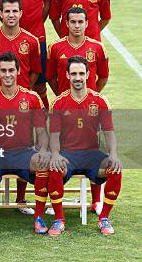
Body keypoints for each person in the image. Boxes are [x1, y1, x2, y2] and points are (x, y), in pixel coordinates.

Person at [0, 52, 51, 235]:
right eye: (4, 70)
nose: (8, 74)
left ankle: (39, 217)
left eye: (11, 70)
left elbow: (42, 131)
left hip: (24, 152)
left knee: (43, 164)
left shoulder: (32, 98)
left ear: (18, 71)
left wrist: (42, 150)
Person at [47, 56, 122, 236]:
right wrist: (56, 154)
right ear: (67, 75)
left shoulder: (100, 101)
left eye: (81, 73)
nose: (78, 77)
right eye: (74, 74)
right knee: (54, 168)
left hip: (92, 155)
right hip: (68, 155)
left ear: (88, 74)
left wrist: (113, 154)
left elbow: (109, 133)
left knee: (116, 169)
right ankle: (59, 219)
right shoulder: (58, 103)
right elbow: (54, 135)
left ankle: (104, 217)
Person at [0, 0, 42, 92]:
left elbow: (35, 71)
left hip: (21, 102)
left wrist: (26, 91)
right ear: (0, 13)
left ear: (20, 13)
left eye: (15, 11)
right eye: (7, 11)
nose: (11, 15)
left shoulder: (32, 41)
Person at [47, 7, 109, 96]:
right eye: (73, 22)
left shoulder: (98, 48)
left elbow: (103, 77)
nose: (77, 26)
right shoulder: (55, 48)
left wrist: (92, 96)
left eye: (80, 22)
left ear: (86, 23)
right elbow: (51, 77)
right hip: (65, 105)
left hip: (88, 104)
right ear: (67, 23)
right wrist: (62, 97)